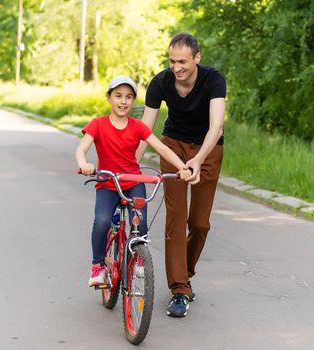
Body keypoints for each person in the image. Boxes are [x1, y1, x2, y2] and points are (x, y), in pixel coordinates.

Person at [136, 32, 226, 317]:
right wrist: (130, 164)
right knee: (176, 220)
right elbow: (144, 130)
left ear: (197, 58)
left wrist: (198, 159)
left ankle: (183, 274)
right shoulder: (160, 82)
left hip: (208, 150)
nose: (177, 67)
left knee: (199, 223)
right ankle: (179, 290)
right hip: (173, 147)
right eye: (172, 61)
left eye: (183, 61)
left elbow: (216, 127)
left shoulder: (213, 80)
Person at [75, 75, 192, 288]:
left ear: (133, 101)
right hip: (108, 183)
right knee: (101, 221)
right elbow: (82, 149)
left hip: (133, 181)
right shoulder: (98, 124)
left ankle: (139, 257)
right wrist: (85, 164)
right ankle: (98, 265)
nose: (123, 101)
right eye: (118, 96)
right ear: (109, 98)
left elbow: (162, 148)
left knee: (140, 222)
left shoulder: (137, 127)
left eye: (129, 97)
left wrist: (183, 167)